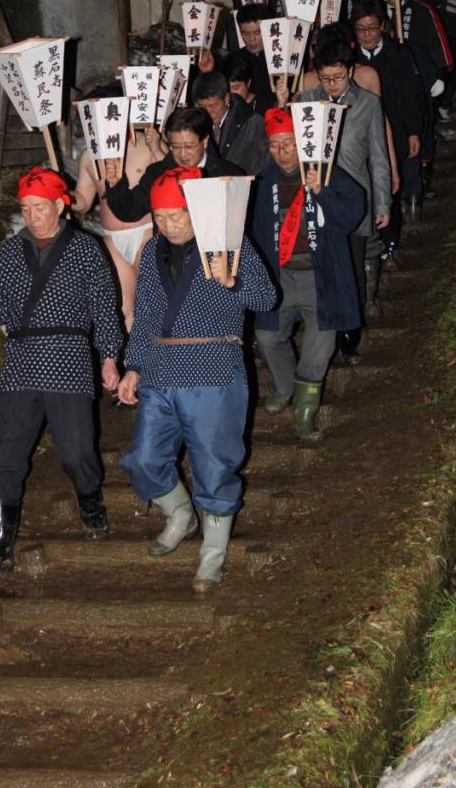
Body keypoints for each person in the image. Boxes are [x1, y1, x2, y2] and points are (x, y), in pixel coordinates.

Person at [0, 166, 123, 571]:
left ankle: (90, 501)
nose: (32, 216)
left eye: (39, 207)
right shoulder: (11, 252)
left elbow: (103, 306)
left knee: (78, 450)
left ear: (61, 205)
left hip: (69, 356)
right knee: (8, 453)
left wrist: (110, 354)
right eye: (26, 208)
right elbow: (2, 309)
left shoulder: (85, 249)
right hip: (22, 359)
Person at [117, 167, 276, 591]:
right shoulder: (152, 252)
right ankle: (180, 513)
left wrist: (233, 280)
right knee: (143, 459)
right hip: (161, 369)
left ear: (196, 211)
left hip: (214, 368)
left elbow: (265, 297)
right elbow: (147, 312)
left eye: (177, 217)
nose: (168, 226)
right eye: (161, 217)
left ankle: (212, 554)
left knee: (213, 463)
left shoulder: (228, 244)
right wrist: (133, 365)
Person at [252, 109, 365, 433]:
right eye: (274, 145)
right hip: (281, 276)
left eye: (288, 143)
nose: (281, 152)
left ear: (302, 143)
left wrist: (322, 191)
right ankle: (286, 386)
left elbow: (351, 216)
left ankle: (305, 408)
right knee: (267, 335)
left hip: (320, 276)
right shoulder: (263, 181)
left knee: (321, 343)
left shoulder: (326, 173)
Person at [296, 38, 391, 362]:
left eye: (338, 77)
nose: (332, 84)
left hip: (353, 198)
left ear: (351, 71)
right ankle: (326, 335)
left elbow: (378, 157)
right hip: (317, 199)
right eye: (325, 78)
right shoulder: (307, 102)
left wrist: (383, 204)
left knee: (352, 268)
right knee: (323, 267)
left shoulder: (367, 104)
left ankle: (350, 334)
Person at [72, 127, 165, 330]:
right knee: (123, 307)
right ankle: (129, 359)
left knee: (151, 301)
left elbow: (168, 174)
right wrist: (62, 195)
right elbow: (84, 201)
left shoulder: (146, 143)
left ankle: (156, 356)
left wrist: (157, 148)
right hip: (113, 239)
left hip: (146, 231)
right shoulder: (90, 155)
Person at [351, 0, 426, 223]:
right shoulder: (349, 60)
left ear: (382, 26)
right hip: (367, 131)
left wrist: (414, 130)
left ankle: (411, 204)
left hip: (399, 124)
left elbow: (414, 96)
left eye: (371, 28)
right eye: (361, 29)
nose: (367, 34)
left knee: (407, 166)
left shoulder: (400, 54)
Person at [103, 107, 241, 222]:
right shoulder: (158, 173)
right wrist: (116, 184)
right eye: (175, 146)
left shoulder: (229, 175)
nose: (182, 154)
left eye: (189, 146)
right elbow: (130, 211)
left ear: (205, 141)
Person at [199, 3, 276, 113]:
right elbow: (218, 95)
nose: (251, 39)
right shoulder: (234, 59)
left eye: (257, 32)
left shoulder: (280, 57)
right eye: (245, 33)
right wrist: (208, 72)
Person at [192, 70, 269, 175]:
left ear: (227, 98)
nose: (208, 112)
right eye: (202, 107)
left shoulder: (252, 123)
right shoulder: (195, 124)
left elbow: (260, 168)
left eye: (213, 106)